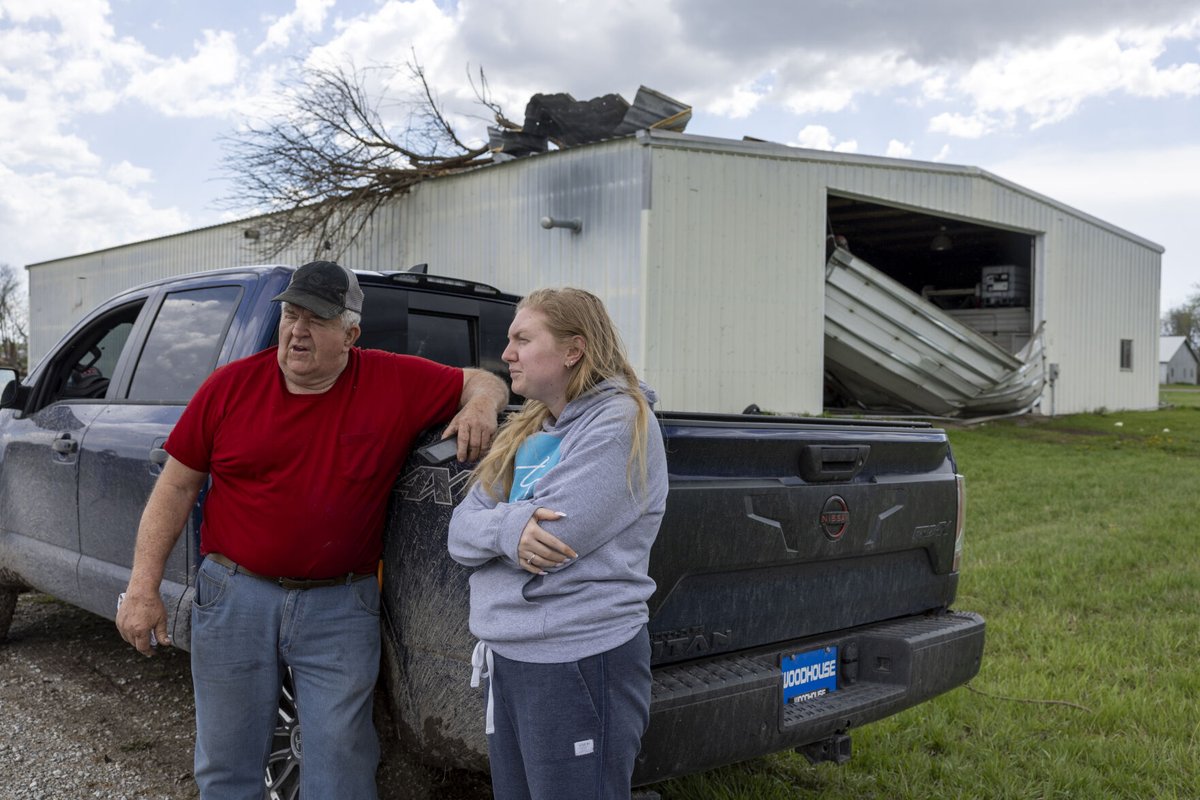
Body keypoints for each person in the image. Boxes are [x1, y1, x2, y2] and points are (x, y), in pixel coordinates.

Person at [115, 260, 508, 800]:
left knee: (341, 770)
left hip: (340, 606)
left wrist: (482, 405)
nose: (297, 330)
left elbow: (483, 379)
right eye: (290, 315)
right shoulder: (229, 387)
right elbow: (176, 487)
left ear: (350, 334)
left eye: (316, 320)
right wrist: (142, 586)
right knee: (226, 766)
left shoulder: (393, 379)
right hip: (234, 596)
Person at [447, 287, 668, 800]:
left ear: (574, 350)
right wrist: (509, 532)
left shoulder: (620, 423)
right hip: (512, 653)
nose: (507, 355)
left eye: (523, 339)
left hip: (579, 659)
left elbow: (555, 537)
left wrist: (501, 530)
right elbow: (460, 533)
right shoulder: (527, 429)